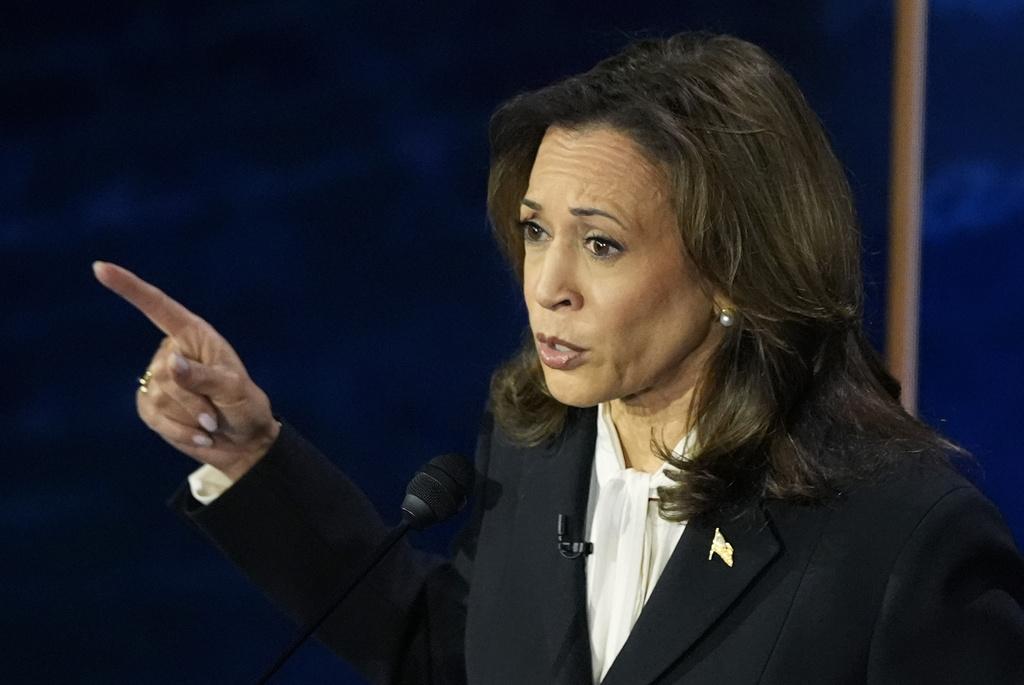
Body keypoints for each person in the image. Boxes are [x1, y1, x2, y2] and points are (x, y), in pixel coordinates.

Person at [94, 32, 1024, 684]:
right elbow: (451, 658)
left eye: (602, 244)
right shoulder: (537, 448)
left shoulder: (902, 540)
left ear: (735, 270)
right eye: (537, 231)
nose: (547, 284)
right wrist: (247, 454)